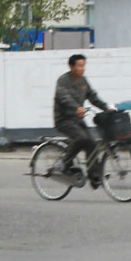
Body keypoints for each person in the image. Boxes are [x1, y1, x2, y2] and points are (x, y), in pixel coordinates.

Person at [53, 52, 110, 182]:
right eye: (79, 66)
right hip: (64, 119)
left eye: (83, 66)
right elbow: (64, 97)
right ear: (71, 66)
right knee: (82, 138)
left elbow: (92, 96)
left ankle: (94, 174)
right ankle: (63, 162)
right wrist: (76, 107)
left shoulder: (83, 80)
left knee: (92, 142)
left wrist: (106, 107)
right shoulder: (63, 81)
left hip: (78, 120)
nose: (82, 69)